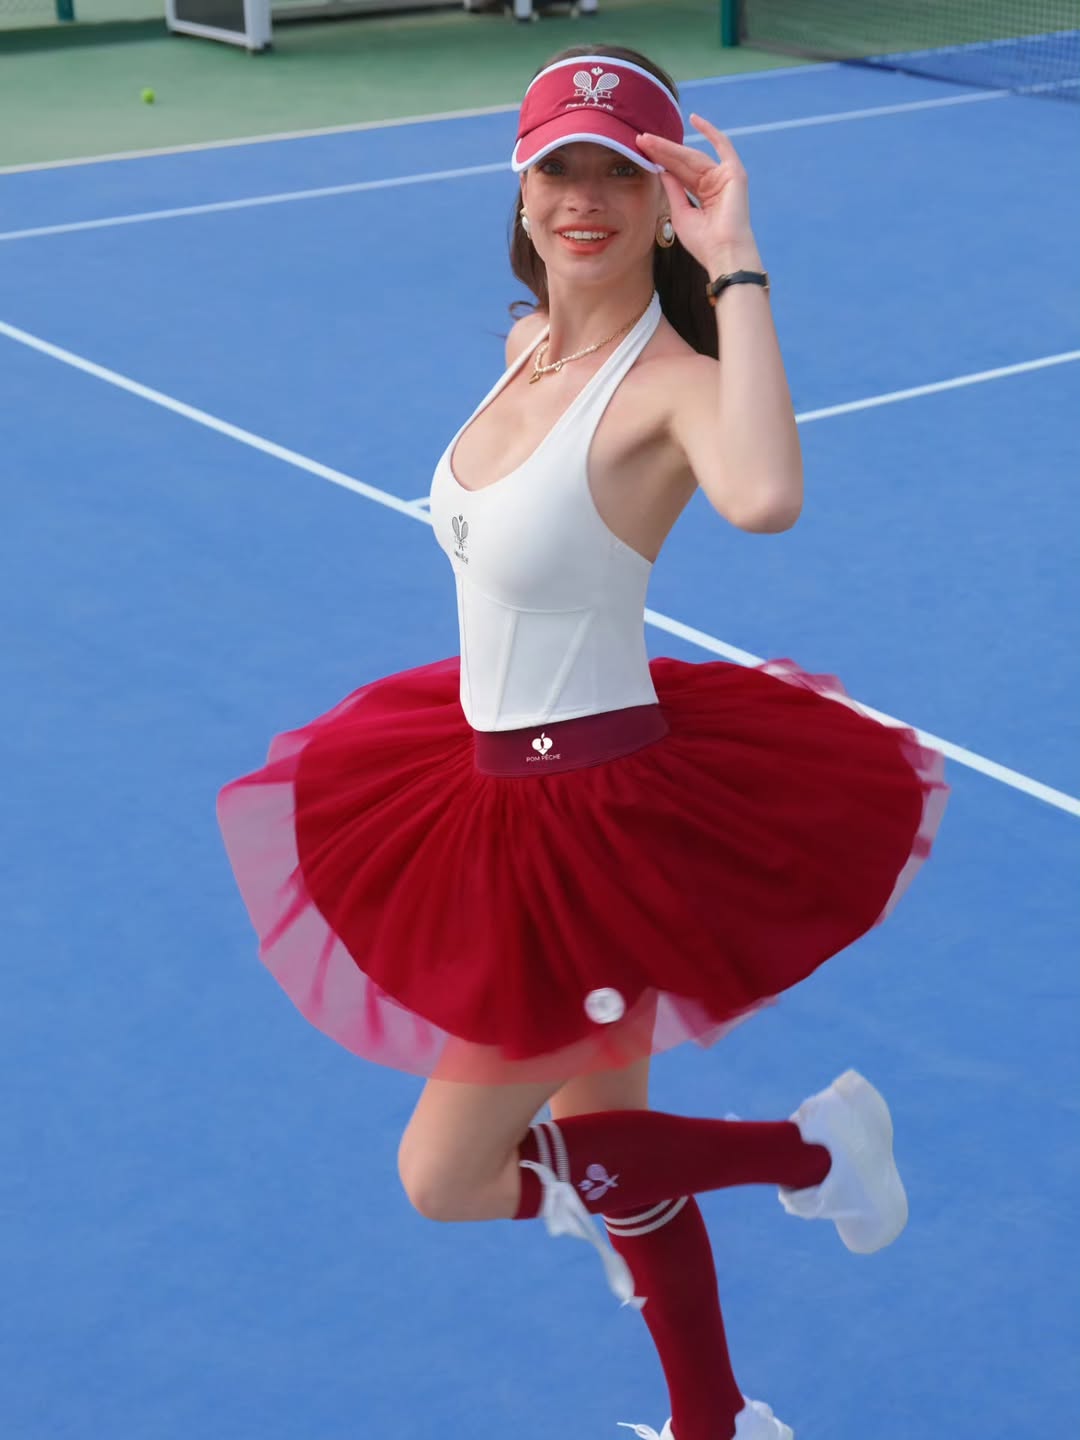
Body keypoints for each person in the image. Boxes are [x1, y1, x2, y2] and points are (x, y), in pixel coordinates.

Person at [217, 44, 948, 1440]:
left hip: (584, 811)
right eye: (562, 167)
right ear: (522, 185)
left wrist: (737, 262)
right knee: (615, 1148)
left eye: (623, 172)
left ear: (665, 199)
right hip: (486, 780)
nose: (586, 198)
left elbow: (767, 496)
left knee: (446, 1175)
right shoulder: (523, 350)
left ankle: (815, 1150)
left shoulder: (670, 383)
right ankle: (716, 1421)